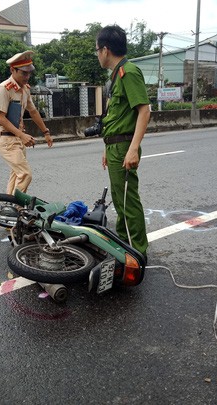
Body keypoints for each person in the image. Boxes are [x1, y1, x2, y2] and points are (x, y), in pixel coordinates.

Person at [95, 24, 150, 260]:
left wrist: (133, 148)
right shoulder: (116, 75)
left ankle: (138, 252)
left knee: (128, 200)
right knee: (119, 199)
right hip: (115, 146)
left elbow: (144, 110)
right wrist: (107, 147)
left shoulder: (128, 72)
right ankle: (123, 244)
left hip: (125, 147)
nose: (97, 55)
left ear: (105, 50)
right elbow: (115, 117)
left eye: (97, 50)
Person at [0, 50, 53, 195]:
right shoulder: (3, 89)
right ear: (12, 70)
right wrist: (22, 135)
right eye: (24, 73)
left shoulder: (25, 89)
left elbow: (33, 112)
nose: (27, 76)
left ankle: (10, 207)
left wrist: (46, 132)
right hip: (7, 141)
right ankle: (15, 206)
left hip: (17, 140)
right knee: (25, 174)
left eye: (29, 73)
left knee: (16, 175)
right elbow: (0, 118)